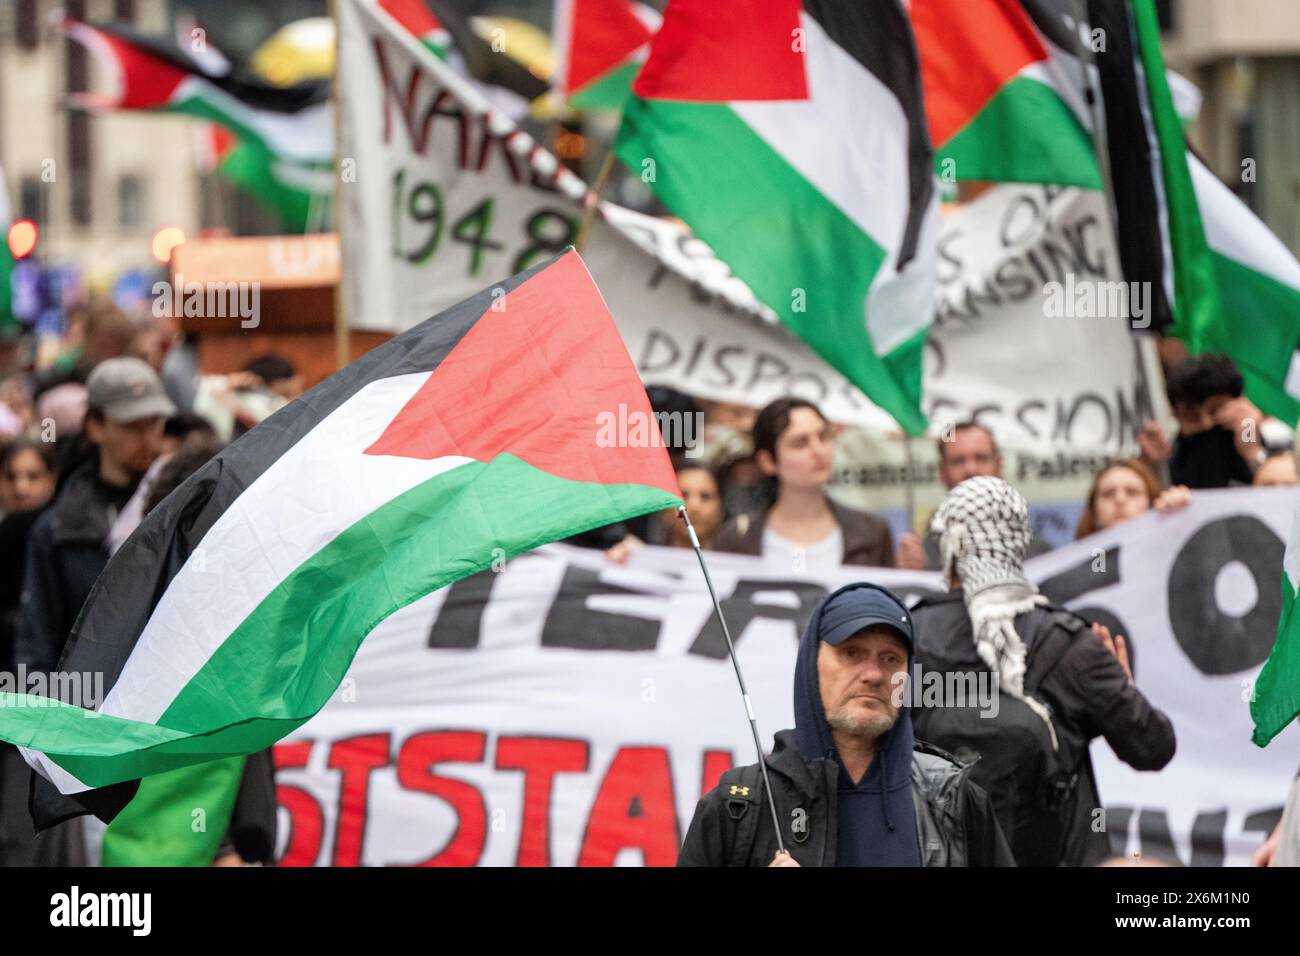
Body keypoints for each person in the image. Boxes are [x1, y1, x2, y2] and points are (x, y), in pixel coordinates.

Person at [910, 477, 1177, 866]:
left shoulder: (902, 639)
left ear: (950, 544)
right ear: (1019, 541)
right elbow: (1153, 749)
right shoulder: (1070, 644)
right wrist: (1126, 693)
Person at [679, 583, 1013, 866]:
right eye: (851, 653)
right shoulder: (741, 804)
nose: (874, 675)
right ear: (812, 664)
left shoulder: (955, 801)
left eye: (891, 659)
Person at [15, 357, 174, 675]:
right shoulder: (57, 529)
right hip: (84, 711)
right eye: (131, 424)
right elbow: (37, 644)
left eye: (154, 422)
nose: (147, 437)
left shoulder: (182, 510)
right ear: (95, 426)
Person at [713, 398, 894, 571]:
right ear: (767, 461)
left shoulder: (871, 531)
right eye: (800, 443)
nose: (818, 451)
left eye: (824, 436)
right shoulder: (737, 538)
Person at [897, 421, 1050, 570]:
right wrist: (912, 577)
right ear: (942, 472)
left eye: (981, 458)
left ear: (999, 466)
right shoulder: (922, 557)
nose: (971, 469)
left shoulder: (1039, 553)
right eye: (958, 461)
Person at [1139, 354, 1264, 489]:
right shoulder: (1169, 455)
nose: (1206, 423)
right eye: (1192, 415)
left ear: (1239, 402)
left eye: (1216, 410)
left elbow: (1277, 489)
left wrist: (1251, 448)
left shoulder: (1253, 436)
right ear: (1175, 414)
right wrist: (1149, 466)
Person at [1076, 458, 1191, 538]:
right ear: (1094, 509)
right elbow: (1098, 570)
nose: (1120, 500)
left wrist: (1183, 520)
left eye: (1132, 492)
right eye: (1108, 493)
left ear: (1151, 503)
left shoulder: (1166, 554)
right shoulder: (1091, 562)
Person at [653, 463, 724, 550]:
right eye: (683, 495)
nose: (694, 506)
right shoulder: (641, 559)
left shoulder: (739, 560)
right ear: (665, 509)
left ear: (720, 508)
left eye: (705, 496)